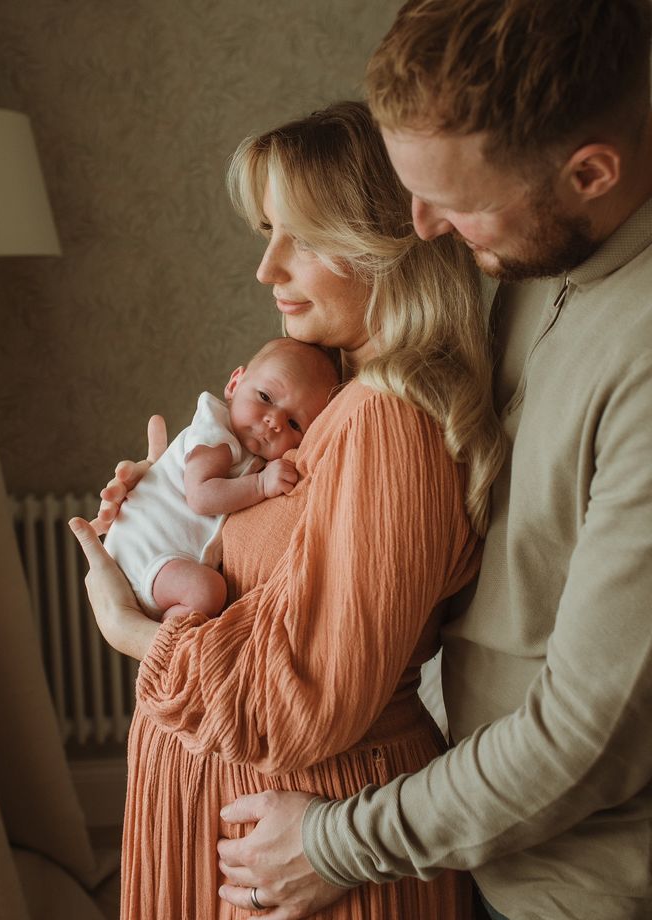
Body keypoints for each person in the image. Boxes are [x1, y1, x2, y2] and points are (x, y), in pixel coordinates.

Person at [208, 2, 652, 919]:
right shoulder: (525, 265)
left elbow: (594, 734)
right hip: (455, 833)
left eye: (455, 201)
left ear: (590, 171)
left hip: (578, 889)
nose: (422, 226)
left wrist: (337, 843)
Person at [69, 99, 506, 919]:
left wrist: (127, 627)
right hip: (250, 816)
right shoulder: (333, 409)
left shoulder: (385, 422)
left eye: (298, 238)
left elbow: (300, 700)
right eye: (268, 234)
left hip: (297, 841)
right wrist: (165, 508)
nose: (267, 269)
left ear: (384, 245)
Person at [103, 337, 339, 621]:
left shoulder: (250, 454)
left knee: (210, 593)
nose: (274, 421)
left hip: (166, 562)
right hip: (144, 552)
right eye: (265, 397)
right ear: (234, 384)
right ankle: (170, 632)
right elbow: (202, 497)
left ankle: (173, 622)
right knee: (209, 592)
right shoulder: (215, 434)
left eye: (294, 424)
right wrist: (260, 485)